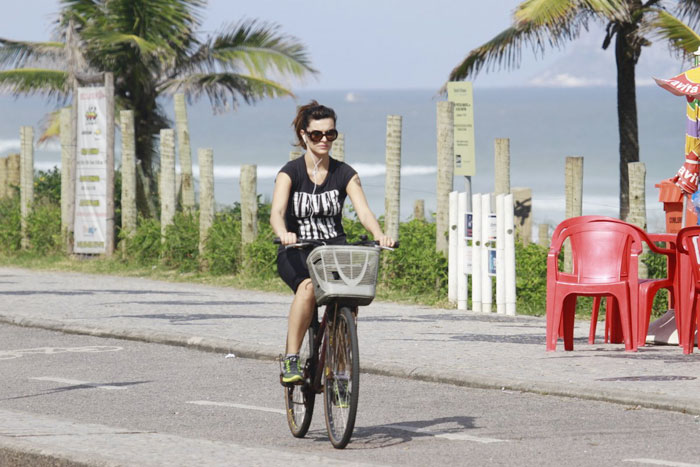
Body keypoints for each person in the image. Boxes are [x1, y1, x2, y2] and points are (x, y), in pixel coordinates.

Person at [270, 100, 394, 383]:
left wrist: (379, 234)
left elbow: (363, 211)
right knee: (308, 289)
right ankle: (291, 359)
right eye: (317, 134)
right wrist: (284, 233)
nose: (324, 139)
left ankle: (339, 369)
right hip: (297, 250)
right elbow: (276, 213)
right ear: (304, 135)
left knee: (349, 303)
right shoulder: (290, 173)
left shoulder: (344, 173)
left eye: (330, 134)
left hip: (333, 251)